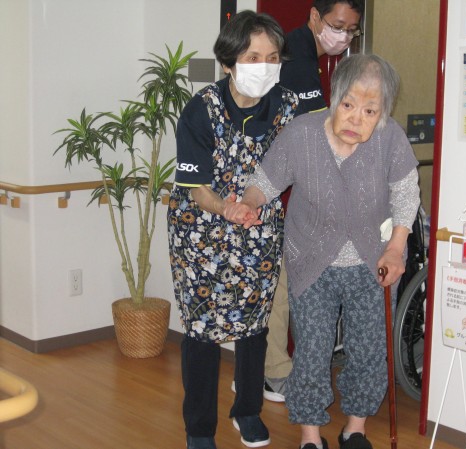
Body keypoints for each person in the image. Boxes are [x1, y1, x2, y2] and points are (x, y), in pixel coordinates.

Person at [226, 54, 420, 449]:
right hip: (311, 261)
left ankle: (355, 428)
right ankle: (310, 435)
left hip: (374, 261)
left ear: (382, 112)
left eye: (370, 111)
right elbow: (266, 180)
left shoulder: (391, 139)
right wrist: (249, 202)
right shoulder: (302, 134)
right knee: (312, 351)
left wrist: (396, 249)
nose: (356, 119)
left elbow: (405, 195)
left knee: (369, 350)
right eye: (348, 105)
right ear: (334, 99)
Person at [167, 10, 298, 449]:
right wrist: (227, 208)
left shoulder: (287, 106)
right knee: (202, 330)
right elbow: (197, 188)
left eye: (272, 57)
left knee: (255, 325)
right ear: (228, 62)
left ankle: (247, 410)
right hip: (201, 232)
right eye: (253, 57)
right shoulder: (201, 109)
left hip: (259, 230)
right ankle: (199, 428)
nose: (265, 66)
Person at [263, 0, 364, 404]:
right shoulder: (297, 58)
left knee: (284, 282)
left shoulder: (316, 59)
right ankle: (272, 373)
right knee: (279, 285)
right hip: (270, 189)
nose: (343, 36)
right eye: (337, 25)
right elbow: (325, 136)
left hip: (289, 188)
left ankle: (266, 371)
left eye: (351, 30)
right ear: (314, 16)